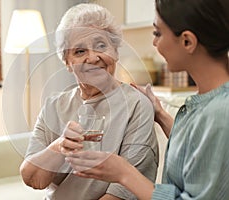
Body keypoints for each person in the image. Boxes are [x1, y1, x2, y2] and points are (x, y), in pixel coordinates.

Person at [66, 0, 229, 199]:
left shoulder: (221, 113)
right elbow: (201, 152)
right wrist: (160, 115)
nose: (154, 43)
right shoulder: (205, 104)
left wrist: (124, 172)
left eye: (157, 33)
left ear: (187, 41)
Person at [20, 3, 159, 200]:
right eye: (79, 51)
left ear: (115, 51)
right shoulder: (53, 106)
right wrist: (59, 146)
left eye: (101, 46)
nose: (93, 57)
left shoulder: (136, 105)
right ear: (67, 63)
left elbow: (123, 194)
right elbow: (33, 178)